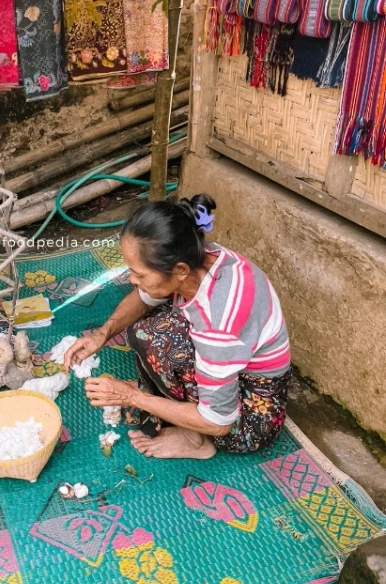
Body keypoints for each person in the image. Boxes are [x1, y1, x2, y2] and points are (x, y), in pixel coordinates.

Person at [64, 195, 291, 459]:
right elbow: (144, 297)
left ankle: (195, 439)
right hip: (233, 361)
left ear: (180, 270)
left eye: (139, 273)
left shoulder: (217, 322)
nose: (131, 279)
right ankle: (174, 400)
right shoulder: (199, 257)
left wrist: (133, 397)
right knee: (144, 328)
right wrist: (101, 334)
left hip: (252, 416)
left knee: (161, 340)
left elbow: (219, 421)